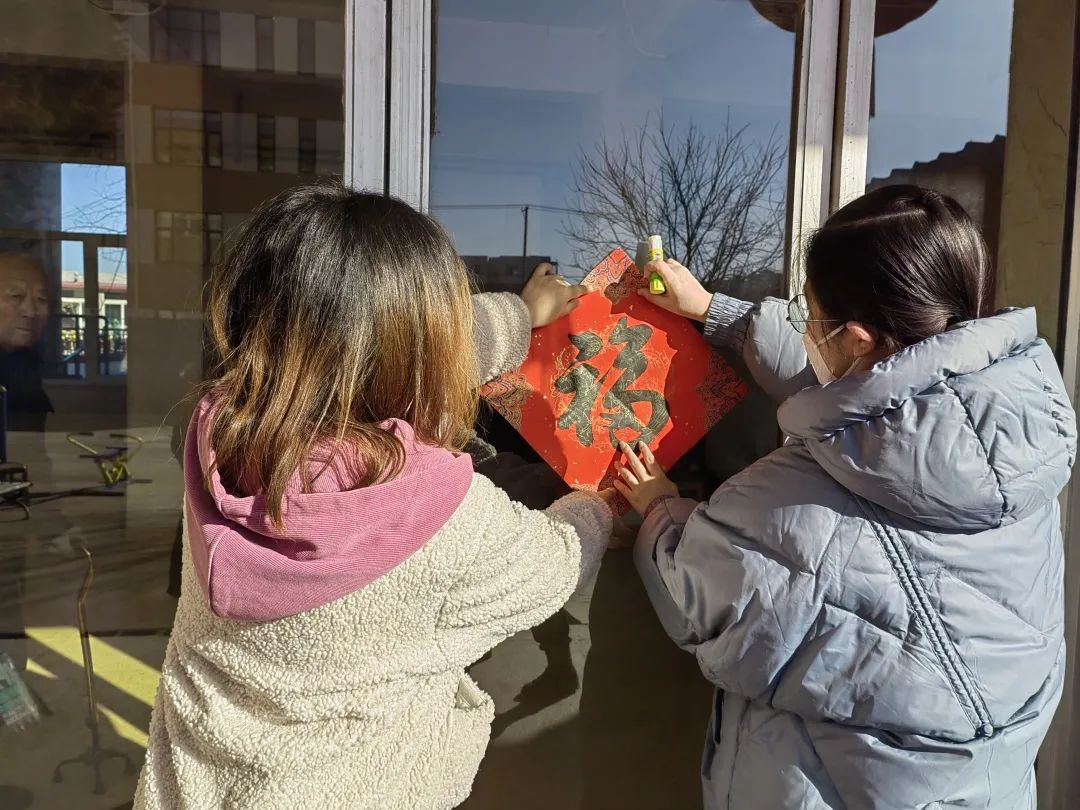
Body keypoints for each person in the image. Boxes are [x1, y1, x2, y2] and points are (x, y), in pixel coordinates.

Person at [134, 181, 612, 810]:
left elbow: (365, 348)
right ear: (421, 347)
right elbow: (556, 562)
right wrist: (602, 502)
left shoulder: (227, 442)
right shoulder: (446, 524)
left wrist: (519, 317)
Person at [614, 185, 1075, 809]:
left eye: (807, 315)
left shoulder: (781, 507)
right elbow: (873, 389)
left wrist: (659, 507)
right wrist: (713, 311)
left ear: (856, 338)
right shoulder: (1011, 439)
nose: (803, 330)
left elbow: (691, 594)